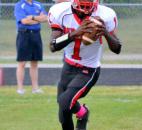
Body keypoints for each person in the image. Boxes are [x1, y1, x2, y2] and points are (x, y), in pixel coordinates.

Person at [48, 0, 122, 130]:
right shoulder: (60, 11)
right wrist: (74, 33)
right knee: (63, 111)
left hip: (88, 69)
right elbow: (53, 45)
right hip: (68, 65)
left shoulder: (106, 14)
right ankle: (83, 113)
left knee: (65, 102)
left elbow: (117, 48)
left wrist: (105, 33)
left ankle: (82, 116)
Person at [14, 0, 48, 94]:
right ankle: (20, 89)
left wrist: (32, 18)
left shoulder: (38, 4)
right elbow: (24, 21)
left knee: (34, 62)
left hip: (36, 35)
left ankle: (35, 88)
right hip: (24, 35)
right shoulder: (20, 5)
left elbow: (45, 18)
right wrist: (38, 19)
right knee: (22, 63)